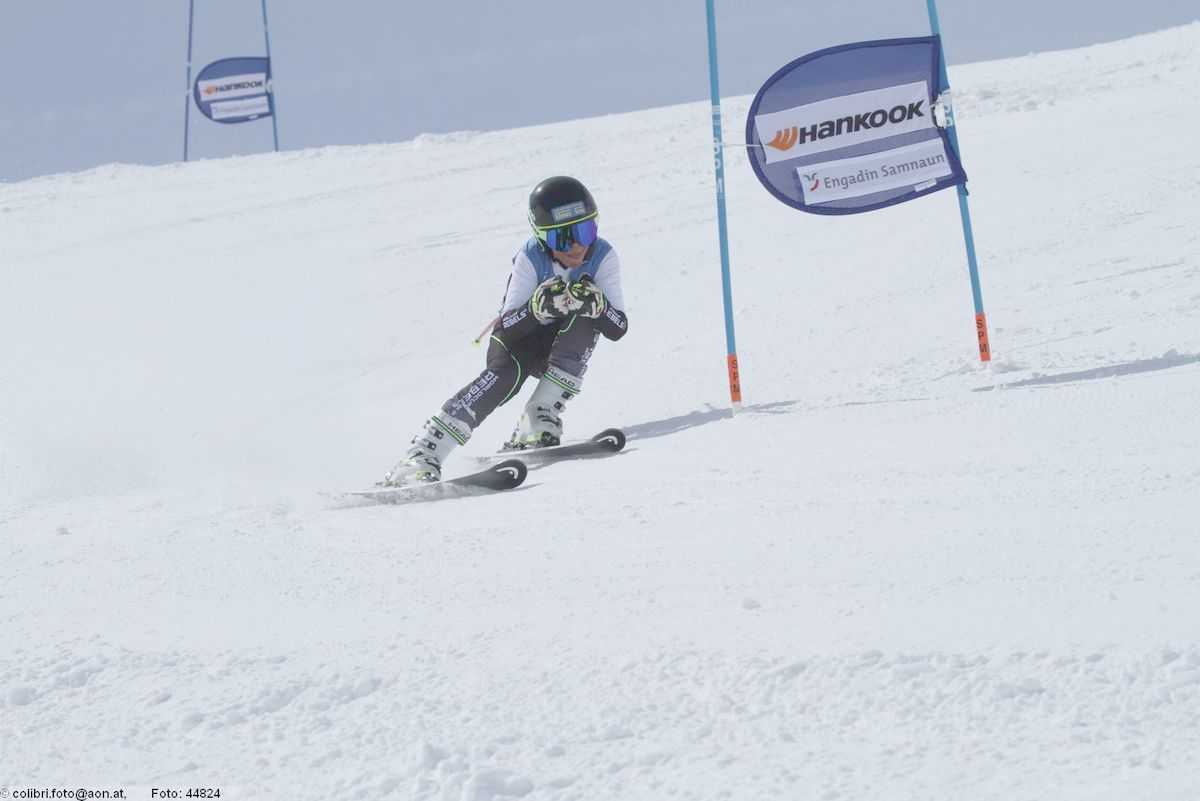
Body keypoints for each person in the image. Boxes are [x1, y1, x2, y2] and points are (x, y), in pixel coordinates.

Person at [381, 176, 629, 486]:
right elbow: (509, 328)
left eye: (587, 230)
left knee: (587, 315)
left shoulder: (603, 255)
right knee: (506, 376)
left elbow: (618, 328)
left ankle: (539, 417)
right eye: (563, 238)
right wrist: (536, 309)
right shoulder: (531, 256)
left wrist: (600, 308)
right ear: (542, 237)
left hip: (562, 348)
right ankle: (422, 452)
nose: (579, 245)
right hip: (519, 342)